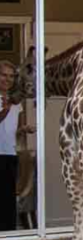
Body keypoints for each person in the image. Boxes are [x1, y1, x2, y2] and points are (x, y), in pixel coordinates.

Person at [0, 59, 32, 231]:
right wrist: (6, 106)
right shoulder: (10, 102)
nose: (7, 79)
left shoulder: (16, 104)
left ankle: (9, 234)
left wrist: (24, 129)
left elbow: (15, 131)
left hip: (10, 154)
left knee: (7, 198)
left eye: (11, 77)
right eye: (4, 75)